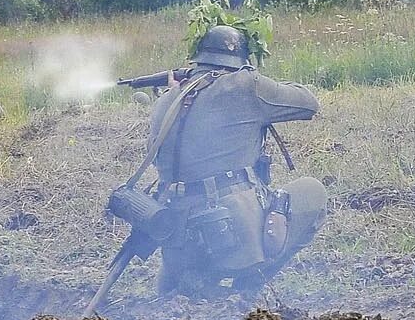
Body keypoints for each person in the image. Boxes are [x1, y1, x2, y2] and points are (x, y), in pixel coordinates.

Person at [129, 26, 328, 297]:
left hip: (178, 248)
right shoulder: (245, 85)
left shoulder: (167, 99)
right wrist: (253, 76)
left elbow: (158, 159)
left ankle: (195, 280)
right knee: (312, 191)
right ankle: (249, 284)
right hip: (231, 242)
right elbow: (308, 103)